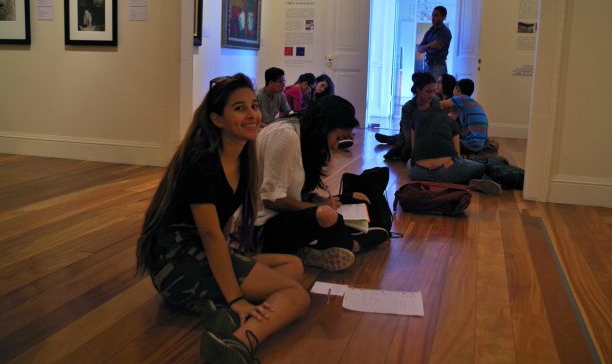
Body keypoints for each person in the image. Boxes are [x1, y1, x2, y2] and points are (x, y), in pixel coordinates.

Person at [136, 74, 309, 363]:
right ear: (217, 120)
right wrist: (237, 298)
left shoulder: (243, 159)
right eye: (239, 108)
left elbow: (224, 228)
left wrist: (237, 266)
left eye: (254, 106)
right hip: (177, 263)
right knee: (296, 295)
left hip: (202, 253)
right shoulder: (201, 161)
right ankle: (237, 343)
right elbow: (210, 235)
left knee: (293, 264)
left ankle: (220, 312)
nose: (253, 114)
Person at [255, 96, 389, 271]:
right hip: (264, 227)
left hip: (284, 217)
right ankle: (352, 244)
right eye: (338, 137)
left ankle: (318, 246)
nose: (335, 146)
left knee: (354, 201)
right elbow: (272, 200)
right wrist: (319, 207)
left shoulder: (302, 137)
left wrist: (326, 200)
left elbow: (296, 193)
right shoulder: (285, 135)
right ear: (325, 127)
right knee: (327, 215)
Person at [406, 76, 501, 195]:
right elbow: (457, 157)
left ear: (457, 89)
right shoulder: (450, 121)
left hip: (419, 173)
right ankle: (467, 181)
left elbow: (414, 152)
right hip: (447, 171)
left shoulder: (416, 119)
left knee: (410, 162)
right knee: (480, 167)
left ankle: (436, 181)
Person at [380, 73, 440, 162]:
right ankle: (395, 142)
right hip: (412, 140)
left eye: (434, 91)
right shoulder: (408, 108)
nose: (432, 95)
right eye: (428, 91)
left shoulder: (435, 102)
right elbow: (408, 137)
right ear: (418, 90)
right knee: (407, 152)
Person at [439, 78, 489, 155]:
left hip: (469, 145)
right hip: (479, 145)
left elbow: (440, 104)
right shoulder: (472, 102)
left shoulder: (461, 99)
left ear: (457, 89)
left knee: (439, 142)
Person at [416, 6, 452, 80]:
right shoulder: (430, 31)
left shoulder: (445, 31)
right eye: (432, 15)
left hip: (438, 66)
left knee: (436, 90)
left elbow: (437, 46)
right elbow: (419, 49)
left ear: (443, 17)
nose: (432, 17)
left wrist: (426, 47)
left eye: (436, 15)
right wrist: (430, 45)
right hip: (427, 65)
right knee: (427, 88)